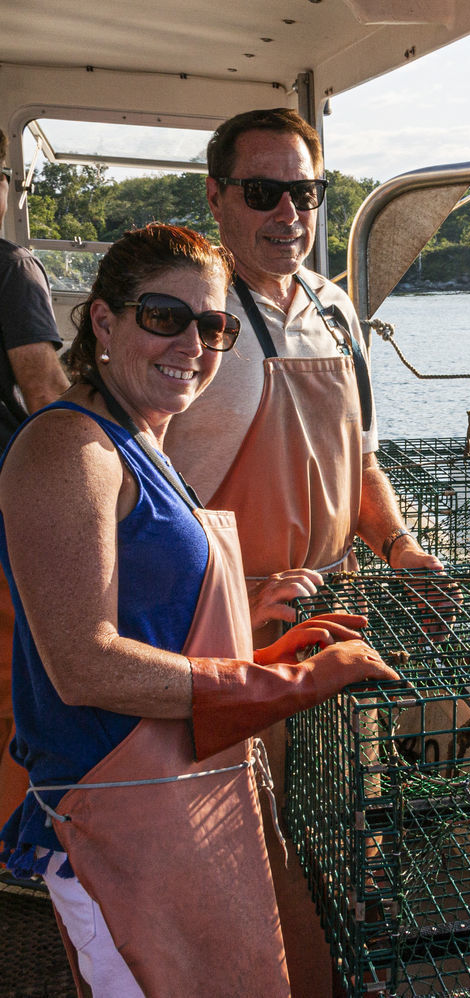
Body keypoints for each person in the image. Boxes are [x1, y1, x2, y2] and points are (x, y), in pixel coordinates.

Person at [0, 223, 398, 996]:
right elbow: (85, 665)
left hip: (175, 803)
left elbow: (147, 619)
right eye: (163, 316)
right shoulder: (68, 452)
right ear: (104, 323)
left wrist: (265, 641)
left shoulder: (142, 440)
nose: (194, 342)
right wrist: (288, 688)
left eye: (215, 325)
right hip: (112, 820)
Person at [163, 106, 451, 997]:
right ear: (218, 198)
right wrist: (228, 600)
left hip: (334, 612)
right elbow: (140, 486)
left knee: (340, 828)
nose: (289, 212)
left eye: (307, 191)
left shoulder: (334, 309)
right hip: (231, 630)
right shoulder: (192, 324)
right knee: (246, 844)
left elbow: (358, 454)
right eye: (263, 191)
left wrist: (400, 545)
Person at [0, 130, 72, 826]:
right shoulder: (11, 266)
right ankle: (14, 842)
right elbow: (45, 391)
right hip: (3, 509)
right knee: (11, 685)